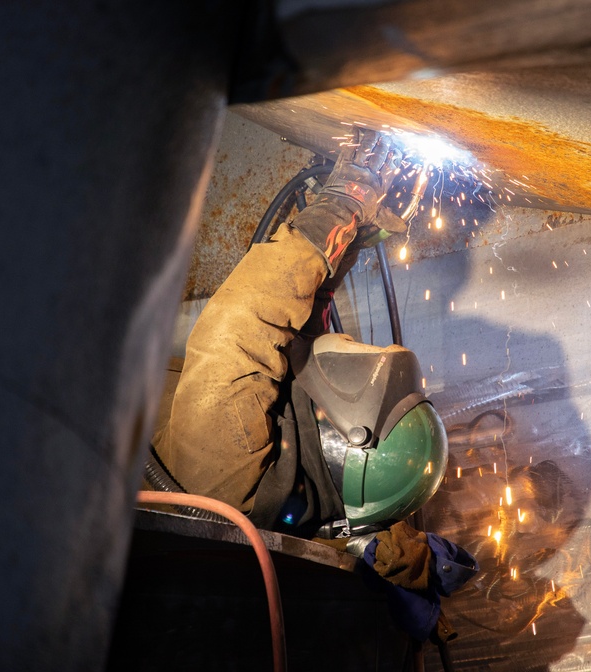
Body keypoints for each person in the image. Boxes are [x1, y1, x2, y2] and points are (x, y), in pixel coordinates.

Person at [145, 128, 477, 642]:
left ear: (349, 437)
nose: (347, 341)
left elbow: (248, 321)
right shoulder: (323, 478)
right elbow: (304, 322)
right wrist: (349, 238)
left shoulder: (225, 468)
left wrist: (342, 203)